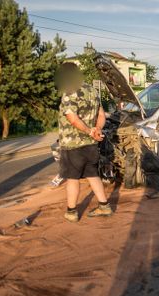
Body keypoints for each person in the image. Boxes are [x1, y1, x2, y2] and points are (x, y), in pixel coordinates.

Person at [56, 62, 111, 223]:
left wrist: (88, 131)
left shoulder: (68, 92)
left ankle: (72, 212)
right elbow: (101, 115)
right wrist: (97, 130)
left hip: (73, 145)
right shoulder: (92, 90)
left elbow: (72, 119)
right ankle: (104, 206)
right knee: (93, 175)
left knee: (72, 178)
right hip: (91, 144)